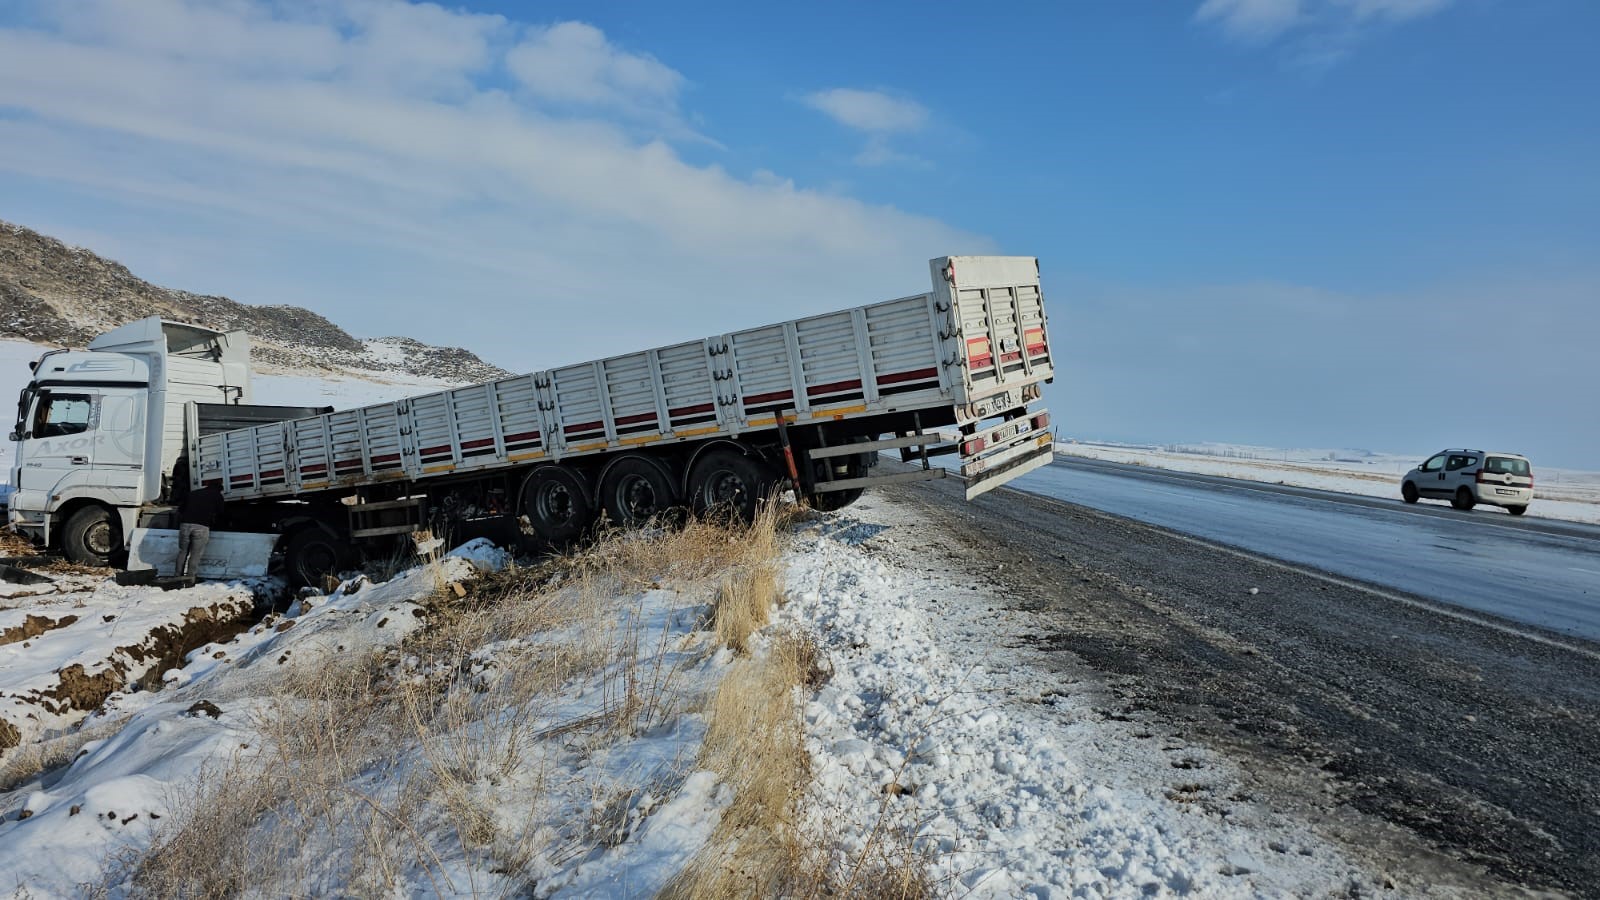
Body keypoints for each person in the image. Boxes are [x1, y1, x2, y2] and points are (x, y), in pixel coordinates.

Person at [175, 481, 224, 581]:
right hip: (201, 526)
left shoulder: (193, 493)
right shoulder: (217, 496)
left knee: (183, 551)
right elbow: (221, 513)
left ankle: (177, 576)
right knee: (196, 554)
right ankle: (190, 577)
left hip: (185, 525)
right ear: (219, 489)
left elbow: (180, 510)